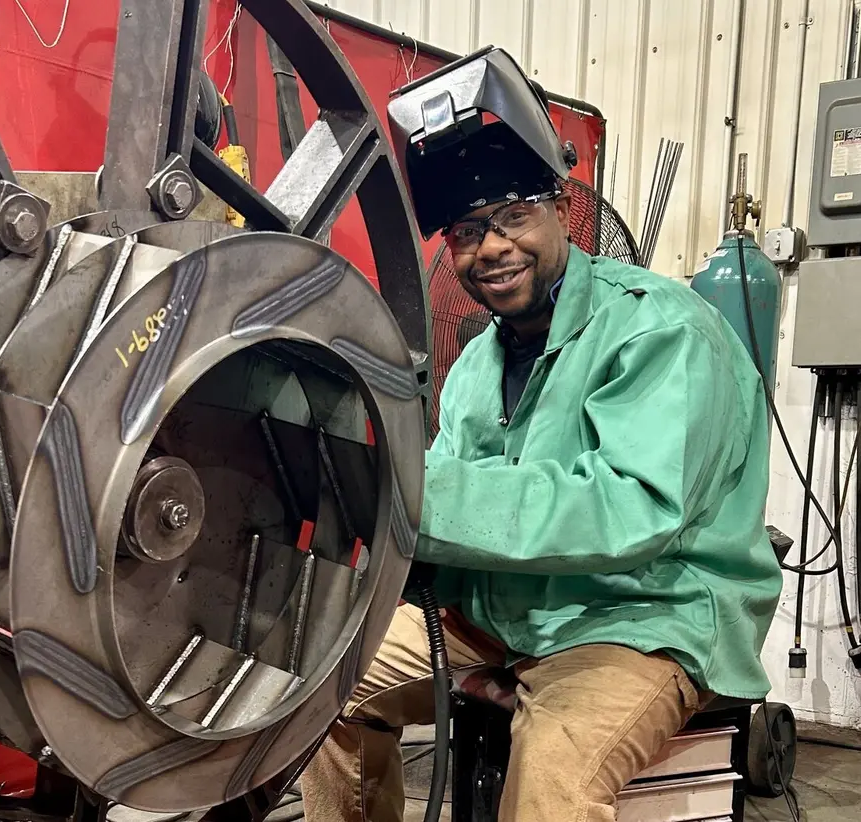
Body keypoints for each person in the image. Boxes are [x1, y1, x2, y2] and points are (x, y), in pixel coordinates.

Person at [300, 47, 782, 822]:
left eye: (512, 217)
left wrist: (412, 488)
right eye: (464, 232)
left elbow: (632, 508)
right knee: (324, 687)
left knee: (553, 770)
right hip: (504, 618)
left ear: (561, 208)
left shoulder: (661, 330)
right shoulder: (475, 365)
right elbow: (450, 522)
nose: (489, 248)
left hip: (641, 618)